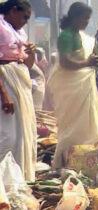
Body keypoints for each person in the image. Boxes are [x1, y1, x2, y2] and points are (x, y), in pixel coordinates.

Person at [48, 2, 98, 169]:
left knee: (86, 126)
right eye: (84, 18)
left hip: (84, 86)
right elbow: (65, 63)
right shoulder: (66, 36)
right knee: (72, 128)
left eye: (88, 18)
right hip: (71, 89)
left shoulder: (82, 37)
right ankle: (64, 163)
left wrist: (92, 62)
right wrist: (86, 63)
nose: (86, 21)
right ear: (74, 17)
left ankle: (85, 164)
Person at [0, 0, 36, 181]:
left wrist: (32, 53)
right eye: (25, 17)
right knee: (8, 136)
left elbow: (28, 64)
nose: (26, 21)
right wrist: (4, 93)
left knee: (24, 132)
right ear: (14, 11)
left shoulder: (20, 32)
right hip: (5, 80)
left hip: (21, 81)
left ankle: (18, 179)